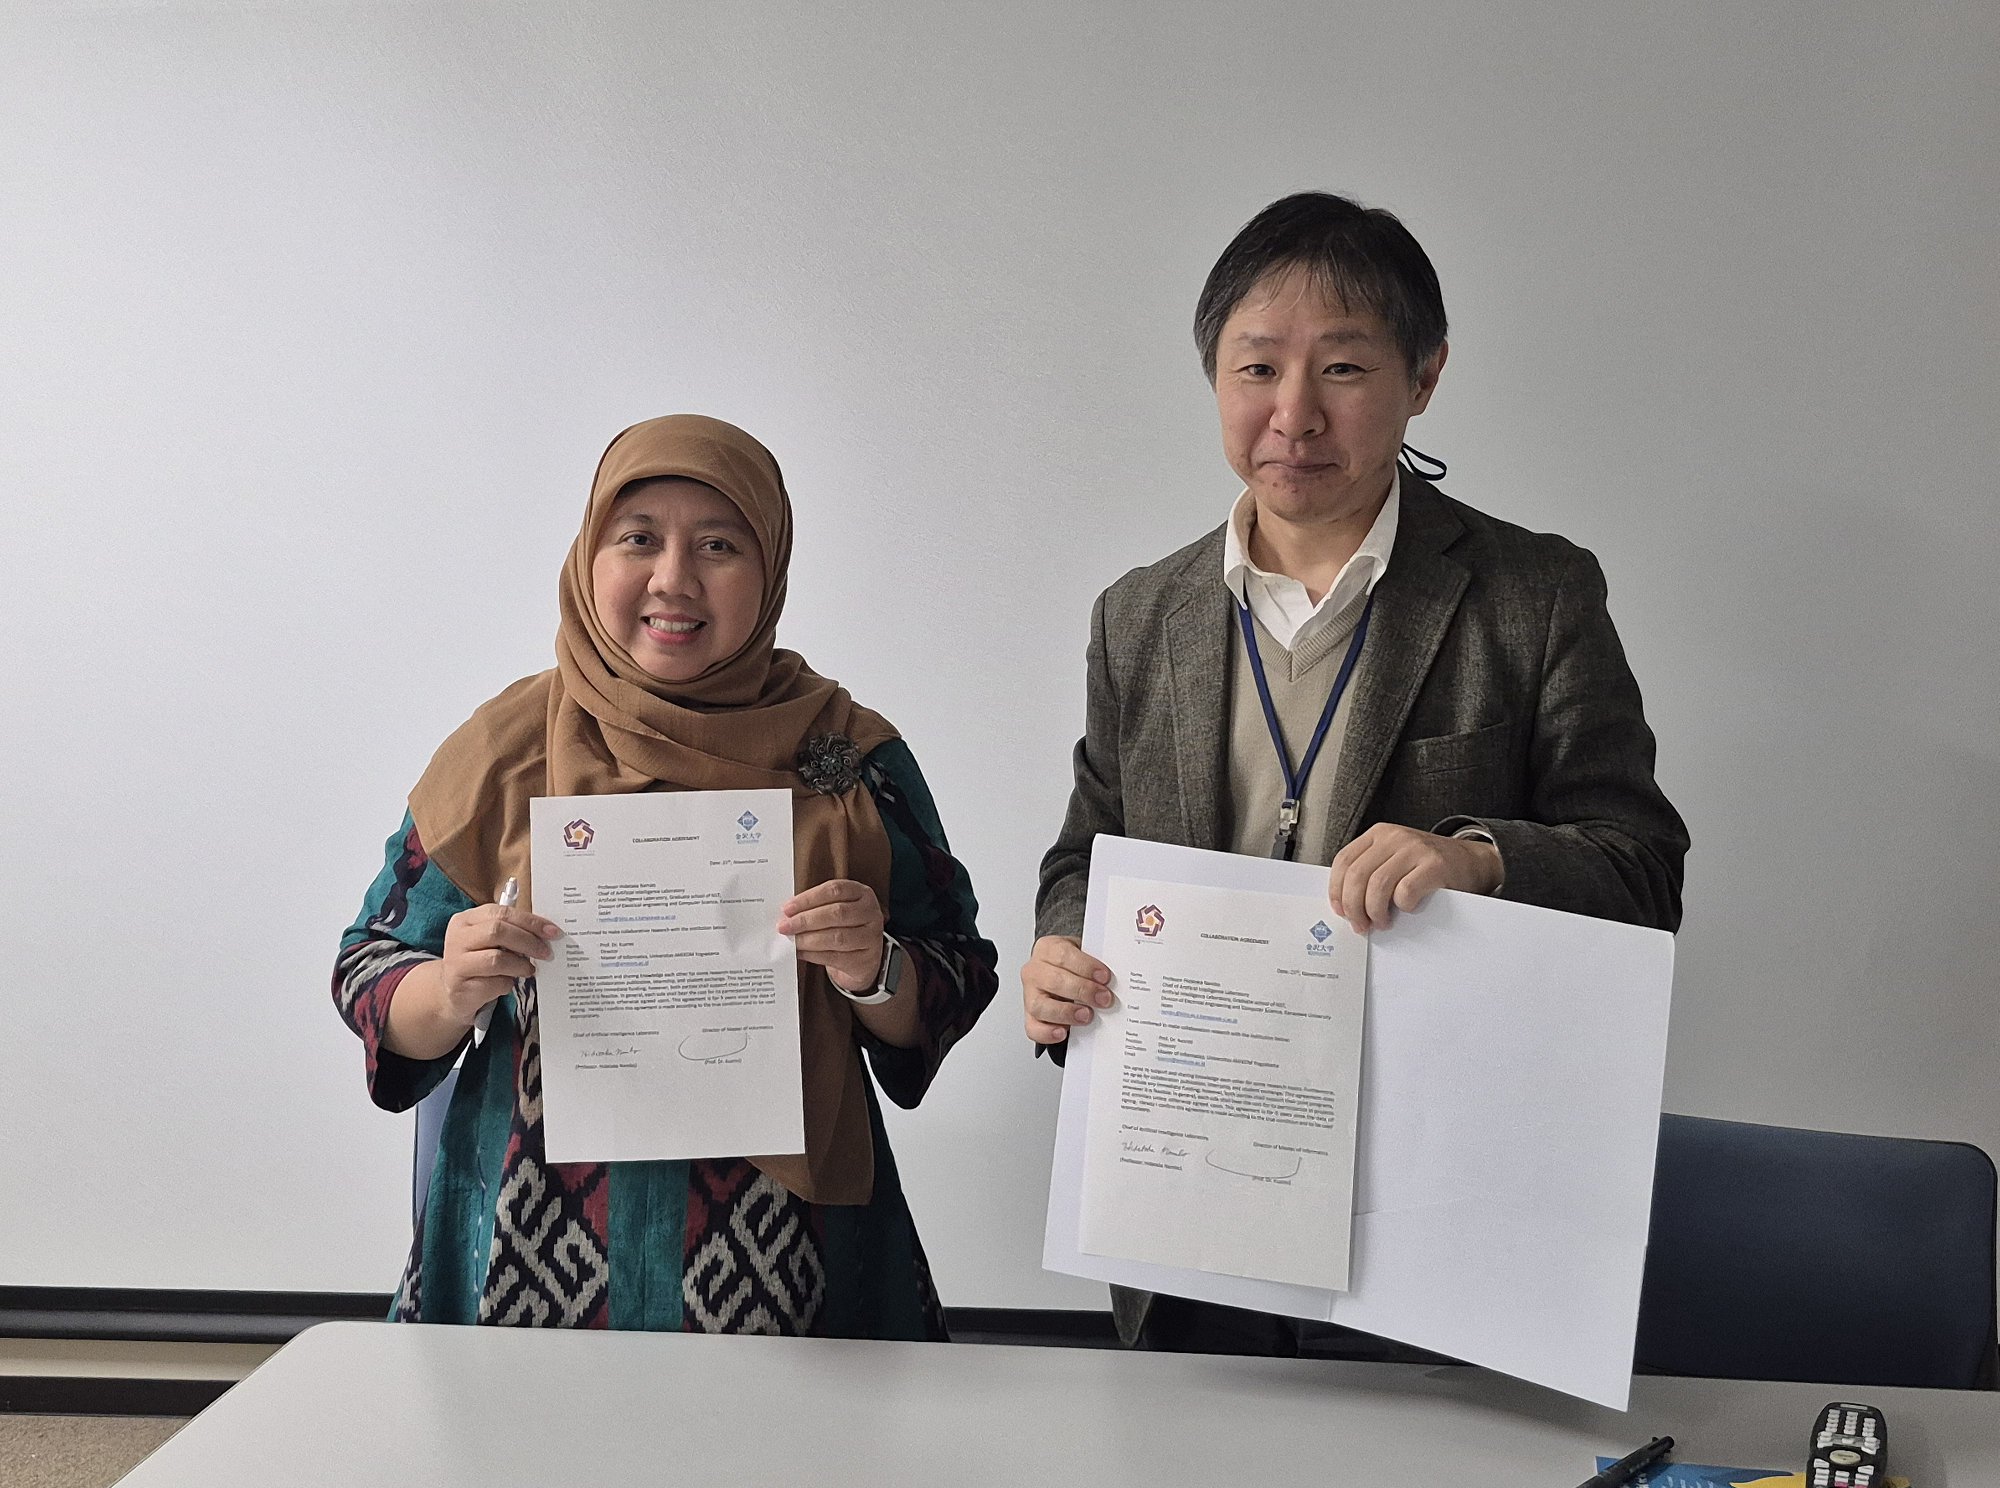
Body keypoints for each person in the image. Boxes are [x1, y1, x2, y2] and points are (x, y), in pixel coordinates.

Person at [1021, 192, 1689, 1354]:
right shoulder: (1140, 615)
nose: (1292, 414)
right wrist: (1058, 954)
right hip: (1188, 1201)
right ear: (1212, 376)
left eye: (1340, 368)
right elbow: (1088, 849)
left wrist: (1477, 861)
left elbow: (1640, 872)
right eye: (1255, 368)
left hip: (1428, 1208)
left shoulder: (1531, 597)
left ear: (1422, 376)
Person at [335, 414, 997, 1336]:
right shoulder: (507, 749)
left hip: (793, 1260)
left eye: (719, 545)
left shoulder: (853, 753)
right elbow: (368, 966)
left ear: (771, 568)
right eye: (638, 539)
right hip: (527, 1247)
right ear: (589, 556)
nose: (673, 579)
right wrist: (450, 986)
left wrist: (874, 967)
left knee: (793, 1436)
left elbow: (958, 968)